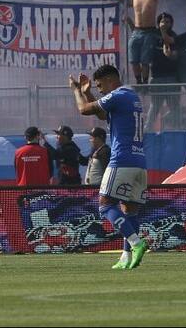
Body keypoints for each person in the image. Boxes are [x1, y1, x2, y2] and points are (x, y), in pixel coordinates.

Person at [70, 64, 148, 270]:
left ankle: (136, 243)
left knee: (105, 205)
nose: (100, 89)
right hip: (140, 162)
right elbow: (103, 115)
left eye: (100, 85)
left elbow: (83, 110)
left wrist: (77, 91)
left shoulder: (118, 95)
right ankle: (125, 257)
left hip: (122, 159)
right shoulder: (131, 97)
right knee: (129, 210)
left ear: (110, 80)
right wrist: (89, 94)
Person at [129, 0, 184, 84]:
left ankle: (144, 82)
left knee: (144, 60)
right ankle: (138, 81)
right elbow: (131, 4)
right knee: (133, 59)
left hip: (149, 31)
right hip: (136, 31)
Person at [148, 12, 180, 131]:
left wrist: (169, 54)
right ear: (158, 23)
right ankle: (147, 131)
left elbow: (175, 56)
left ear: (171, 24)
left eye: (167, 22)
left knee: (175, 107)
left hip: (171, 77)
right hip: (156, 78)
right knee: (154, 107)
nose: (165, 24)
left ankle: (176, 129)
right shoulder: (153, 36)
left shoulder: (174, 36)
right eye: (163, 22)